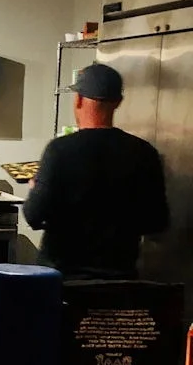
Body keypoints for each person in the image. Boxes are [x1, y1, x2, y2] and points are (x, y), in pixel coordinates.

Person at [23, 62, 169, 278]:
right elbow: (157, 222)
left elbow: (33, 215)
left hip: (63, 280)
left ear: (78, 100)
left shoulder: (60, 150)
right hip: (118, 281)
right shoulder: (144, 153)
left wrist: (38, 188)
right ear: (118, 102)